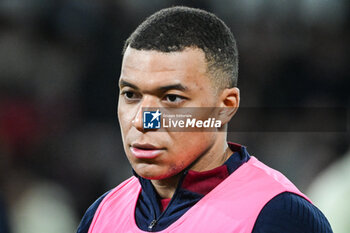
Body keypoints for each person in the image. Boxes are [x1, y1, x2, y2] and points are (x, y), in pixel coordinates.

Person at [77, 6, 332, 233]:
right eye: (131, 94)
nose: (144, 122)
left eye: (172, 98)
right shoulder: (100, 215)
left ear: (225, 106)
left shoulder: (280, 216)